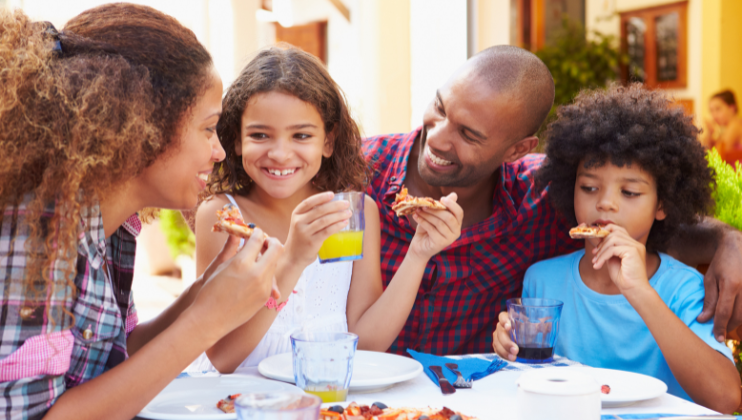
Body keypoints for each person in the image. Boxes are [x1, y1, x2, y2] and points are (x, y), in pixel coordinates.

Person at [363, 45, 742, 356]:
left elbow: (647, 224)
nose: (439, 139)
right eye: (441, 108)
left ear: (518, 149)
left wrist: (728, 240)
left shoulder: (546, 197)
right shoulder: (361, 173)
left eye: (469, 134)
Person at [0, 5, 283, 420]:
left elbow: (114, 362)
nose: (219, 152)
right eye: (208, 129)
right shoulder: (37, 234)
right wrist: (206, 321)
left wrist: (203, 293)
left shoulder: (111, 230)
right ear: (144, 127)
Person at [191, 46, 463, 373]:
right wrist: (292, 260)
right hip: (237, 401)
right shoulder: (224, 218)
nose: (280, 153)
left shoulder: (351, 215)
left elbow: (365, 342)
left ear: (328, 141)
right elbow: (224, 357)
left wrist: (418, 254)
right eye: (260, 135)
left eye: (301, 135)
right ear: (236, 140)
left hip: (325, 399)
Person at [491, 84, 741, 413]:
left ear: (662, 204)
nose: (605, 203)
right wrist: (509, 347)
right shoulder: (543, 280)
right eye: (589, 187)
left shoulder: (683, 288)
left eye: (630, 193)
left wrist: (639, 291)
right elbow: (535, 385)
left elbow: (727, 399)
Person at [701, 90, 742, 165]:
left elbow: (715, 156)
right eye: (711, 111)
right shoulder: (727, 128)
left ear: (732, 108)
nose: (714, 115)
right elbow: (707, 149)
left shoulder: (735, 125)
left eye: (718, 109)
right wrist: (710, 133)